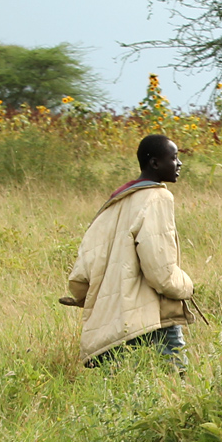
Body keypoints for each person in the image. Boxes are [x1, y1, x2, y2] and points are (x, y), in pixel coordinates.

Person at [63, 134, 195, 370]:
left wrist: (84, 295)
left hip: (114, 316)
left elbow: (84, 266)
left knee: (117, 388)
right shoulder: (158, 197)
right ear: (155, 163)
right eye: (174, 158)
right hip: (154, 313)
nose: (179, 164)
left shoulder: (117, 202)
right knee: (177, 381)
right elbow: (161, 272)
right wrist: (185, 286)